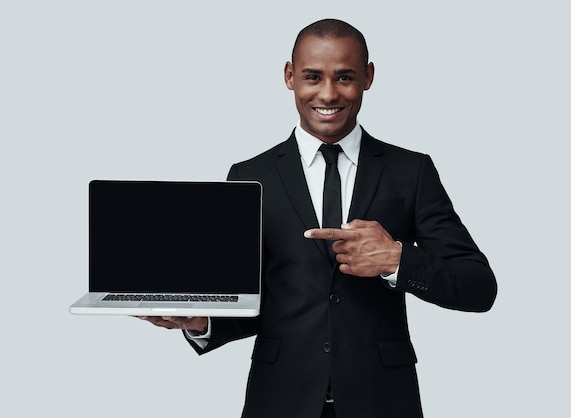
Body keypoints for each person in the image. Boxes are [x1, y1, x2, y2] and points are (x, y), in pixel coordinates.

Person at [140, 18, 497, 418]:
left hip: (383, 402)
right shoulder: (249, 177)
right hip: (279, 402)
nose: (328, 94)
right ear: (290, 76)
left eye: (345, 77)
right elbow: (250, 301)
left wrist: (397, 260)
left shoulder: (410, 171)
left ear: (368, 77)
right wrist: (201, 320)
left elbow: (478, 287)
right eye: (313, 77)